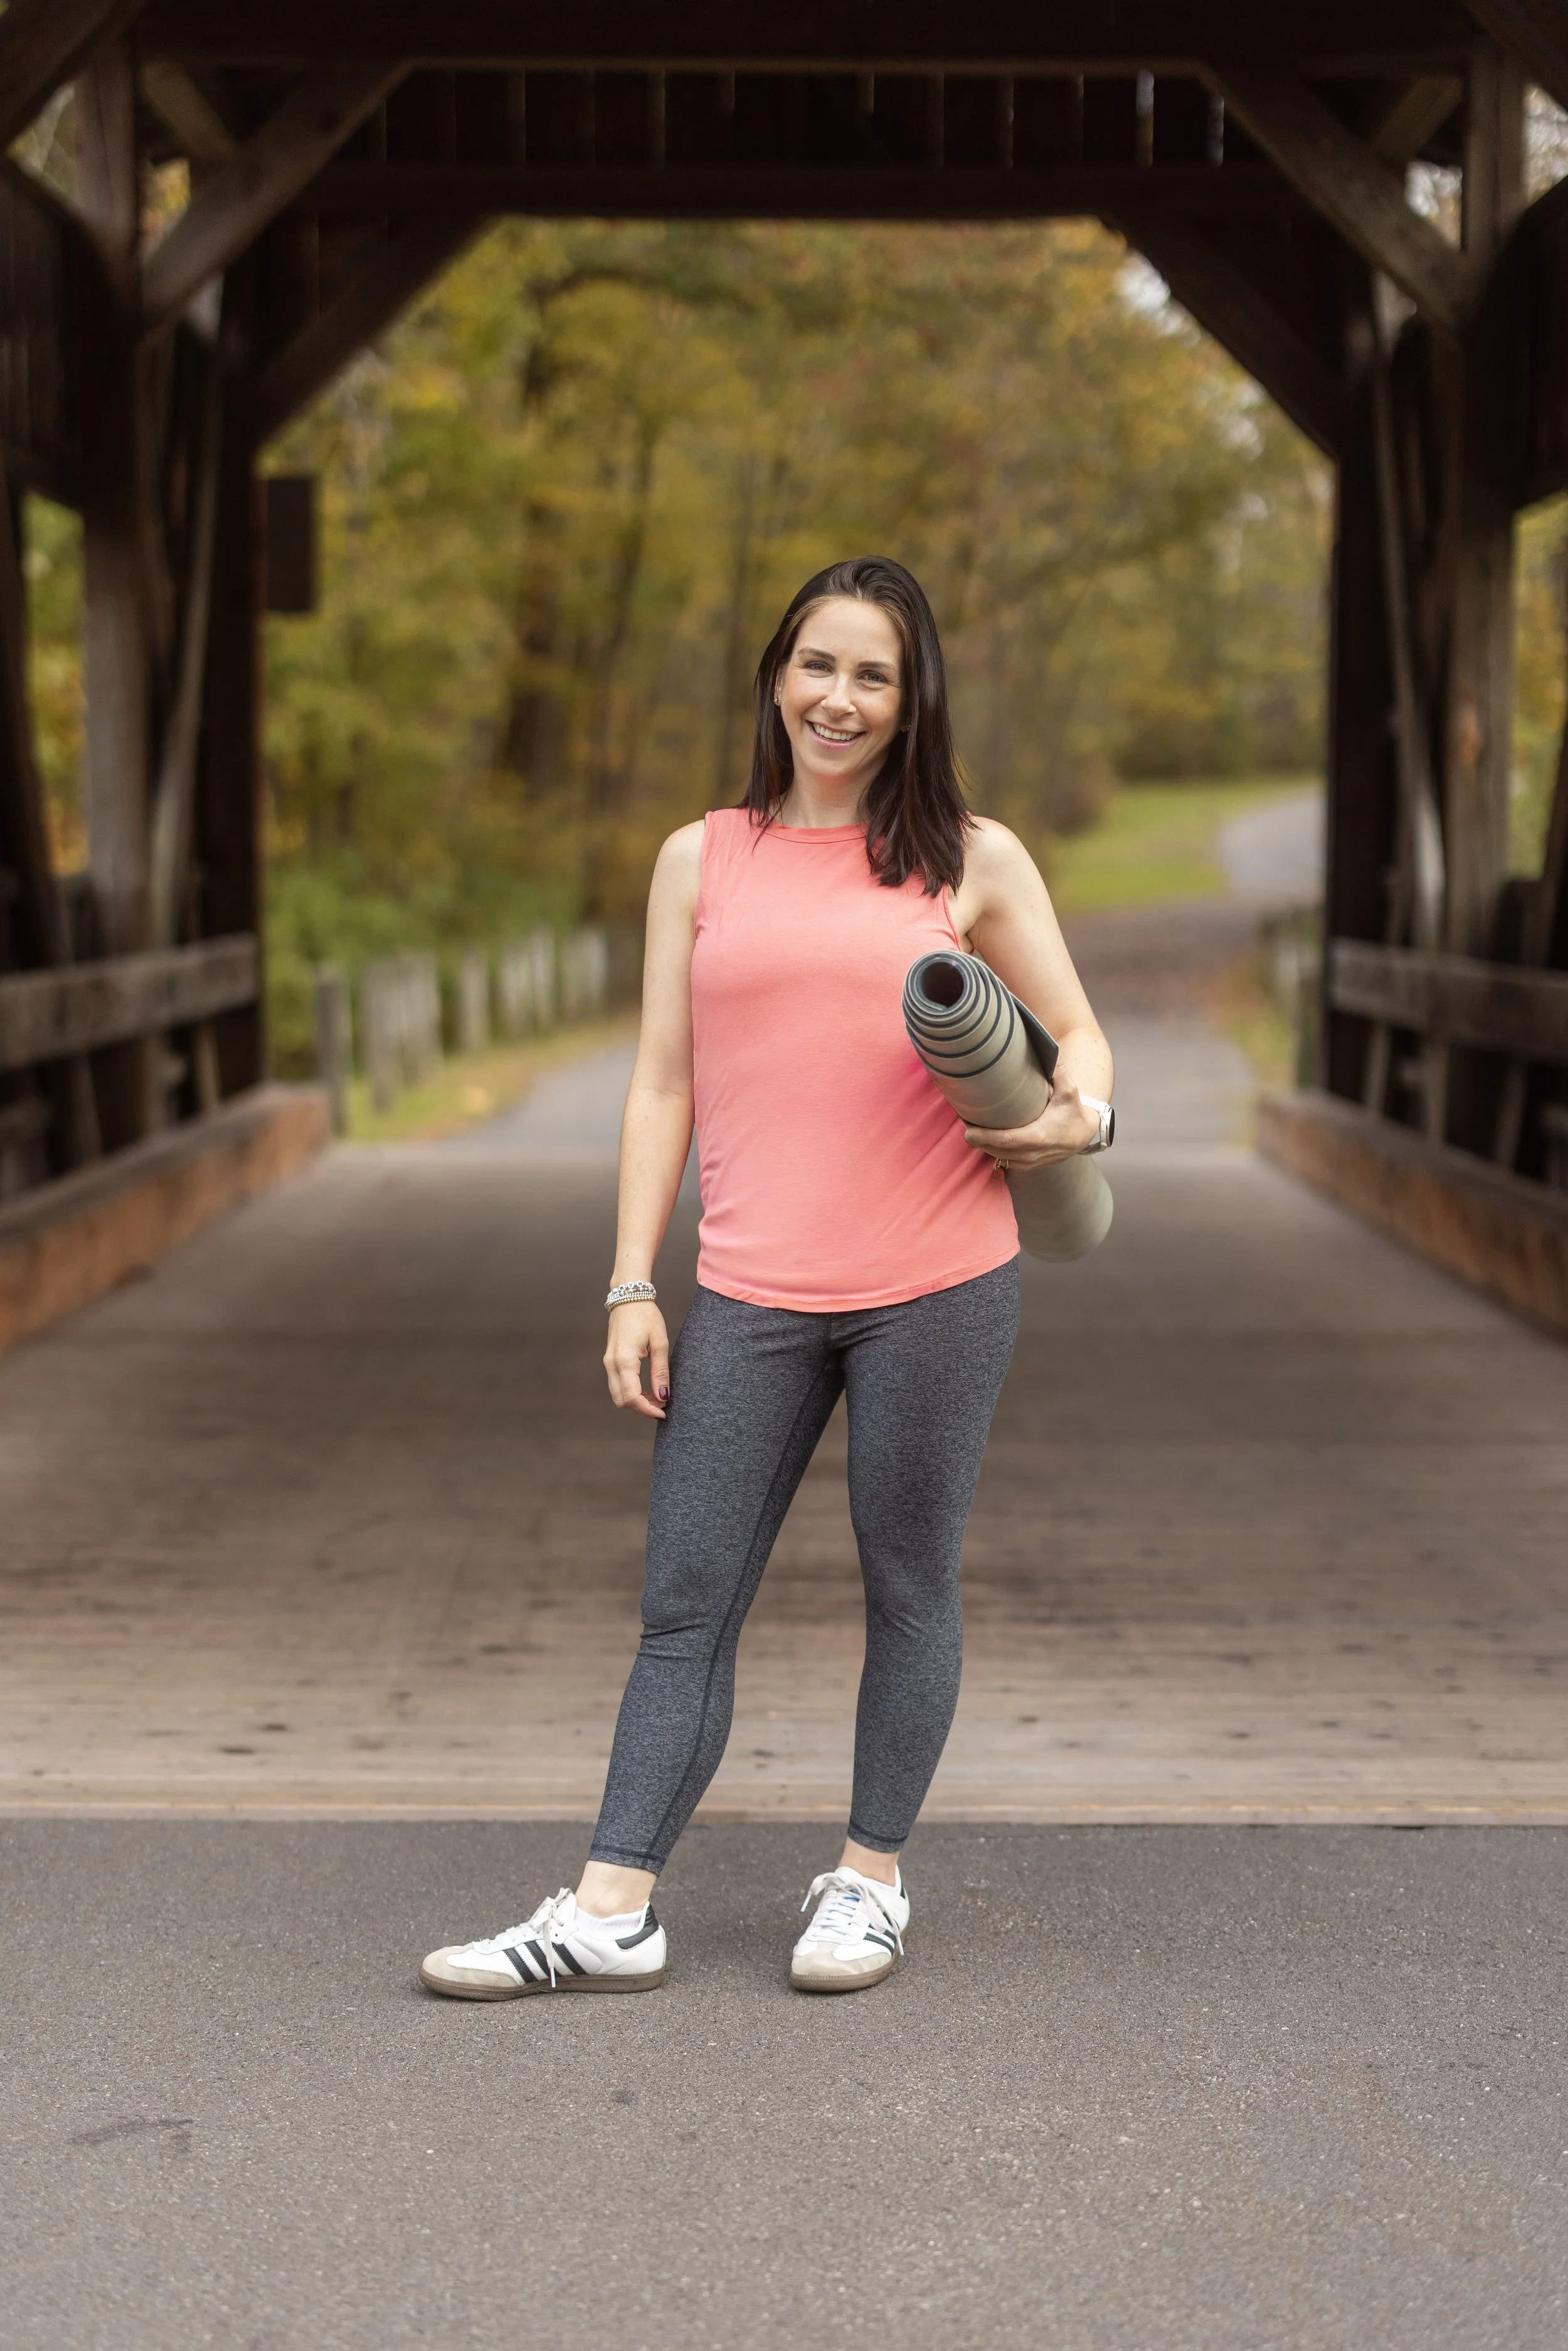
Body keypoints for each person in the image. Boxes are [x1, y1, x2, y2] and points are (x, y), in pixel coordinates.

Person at [421, 556, 1113, 2001]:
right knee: (684, 1596)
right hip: (746, 1292)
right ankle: (613, 1905)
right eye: (816, 664)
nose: (838, 698)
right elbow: (661, 1083)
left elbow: (1075, 1036)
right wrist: (630, 1278)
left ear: (912, 696)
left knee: (906, 1583)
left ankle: (867, 1881)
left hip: (938, 1278)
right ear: (774, 676)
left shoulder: (968, 857)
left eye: (873, 673)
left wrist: (1075, 1117)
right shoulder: (704, 855)